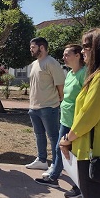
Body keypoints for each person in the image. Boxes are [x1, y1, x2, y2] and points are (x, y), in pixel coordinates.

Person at [60, 28, 100, 198]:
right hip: (98, 148)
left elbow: (88, 116)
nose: (82, 51)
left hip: (93, 152)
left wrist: (67, 139)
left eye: (86, 47)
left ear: (99, 48)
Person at [34, 44, 86, 198]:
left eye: (67, 54)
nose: (64, 57)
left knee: (76, 154)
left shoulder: (85, 73)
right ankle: (54, 178)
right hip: (65, 119)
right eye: (63, 54)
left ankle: (79, 186)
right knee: (59, 149)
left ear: (78, 55)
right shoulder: (70, 74)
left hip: (77, 122)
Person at [26, 37, 65, 170]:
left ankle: (55, 163)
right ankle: (42, 160)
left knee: (53, 136)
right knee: (39, 135)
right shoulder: (34, 64)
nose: (31, 49)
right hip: (34, 107)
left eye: (33, 47)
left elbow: (60, 85)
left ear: (42, 47)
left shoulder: (51, 62)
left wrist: (60, 100)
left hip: (49, 107)